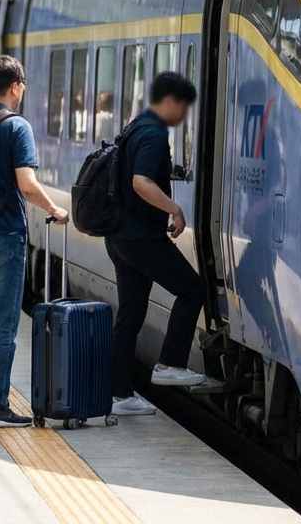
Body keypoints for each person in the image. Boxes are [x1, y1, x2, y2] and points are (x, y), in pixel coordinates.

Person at [0, 55, 68, 429]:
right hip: (4, 238)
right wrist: (55, 208)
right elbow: (26, 183)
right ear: (16, 86)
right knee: (3, 325)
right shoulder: (17, 127)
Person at [105, 71, 221, 418]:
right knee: (191, 290)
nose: (184, 115)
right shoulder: (154, 133)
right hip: (142, 237)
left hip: (120, 235)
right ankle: (170, 363)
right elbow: (141, 182)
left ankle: (120, 395)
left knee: (130, 315)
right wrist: (175, 208)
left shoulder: (136, 125)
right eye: (183, 107)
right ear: (169, 101)